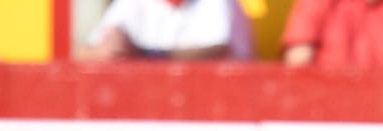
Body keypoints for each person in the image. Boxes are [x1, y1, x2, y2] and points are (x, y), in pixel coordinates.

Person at [81, 0, 255, 60]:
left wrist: (146, 55)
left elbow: (218, 51)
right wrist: (105, 50)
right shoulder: (131, 3)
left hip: (218, 113)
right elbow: (85, 52)